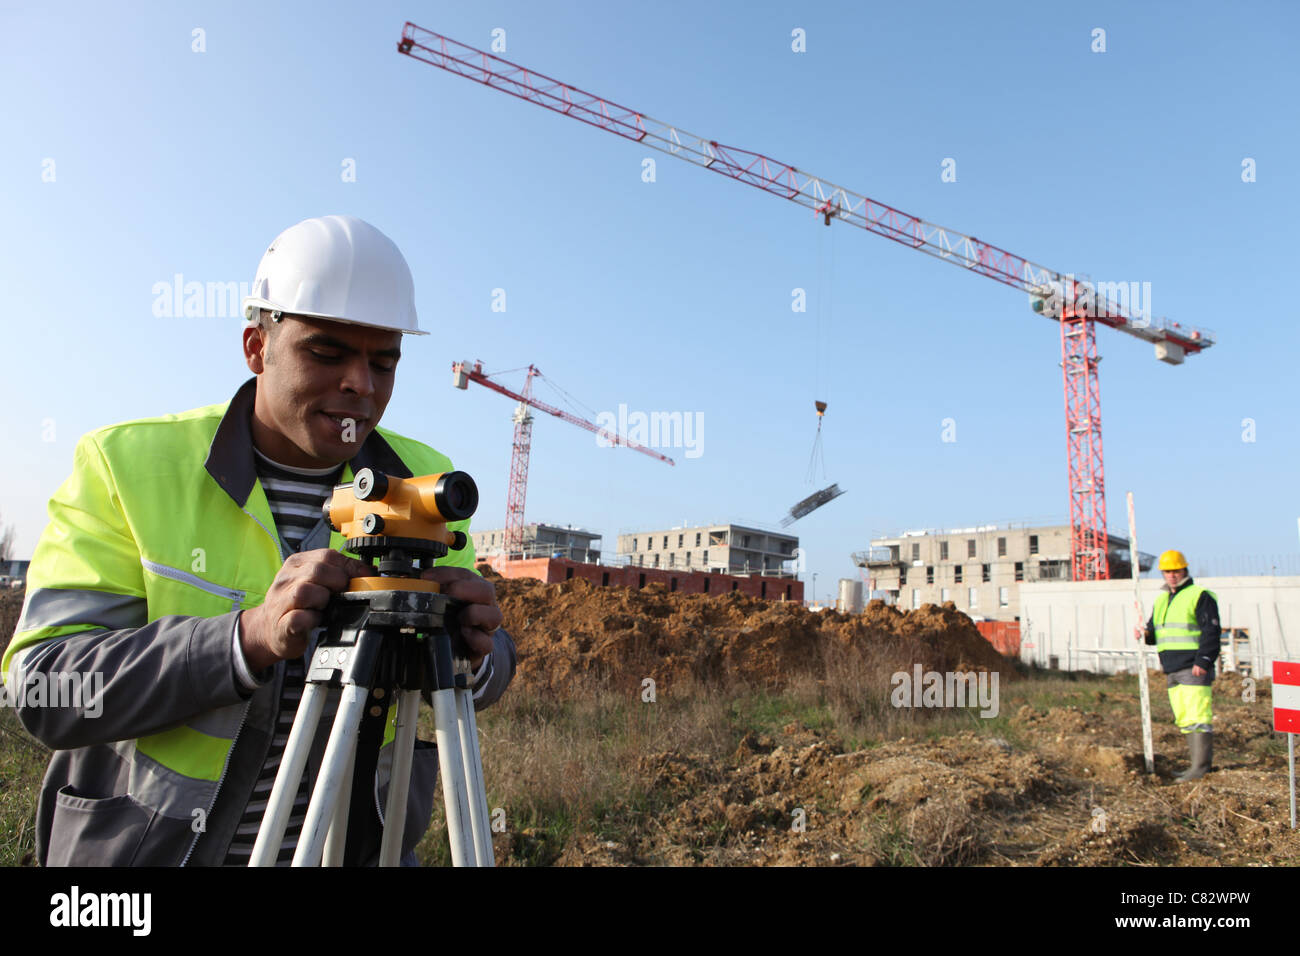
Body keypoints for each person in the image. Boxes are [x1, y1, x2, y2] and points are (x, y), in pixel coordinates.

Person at [3, 214, 516, 865]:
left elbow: (473, 680)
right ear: (256, 347)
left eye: (383, 361)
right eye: (326, 352)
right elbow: (46, 688)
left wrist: (479, 653)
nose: (360, 382)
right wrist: (244, 639)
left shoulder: (425, 486)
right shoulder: (127, 465)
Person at [1143, 549, 1219, 781]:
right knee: (1185, 717)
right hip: (1171, 667)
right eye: (1167, 571)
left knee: (1198, 715)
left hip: (1193, 666)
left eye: (1176, 570)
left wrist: (1204, 660)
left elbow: (1211, 630)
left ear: (1184, 569)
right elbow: (1154, 634)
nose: (1172, 575)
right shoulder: (1162, 600)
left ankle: (1200, 767)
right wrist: (1144, 633)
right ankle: (1195, 767)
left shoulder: (1200, 595)